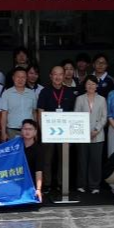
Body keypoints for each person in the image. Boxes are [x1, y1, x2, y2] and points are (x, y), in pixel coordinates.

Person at [36, 65, 76, 194]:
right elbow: (40, 111)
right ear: (50, 76)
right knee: (47, 159)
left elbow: (73, 113)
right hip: (48, 132)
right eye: (55, 74)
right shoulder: (45, 91)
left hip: (65, 132)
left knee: (63, 159)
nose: (58, 77)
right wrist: (43, 131)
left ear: (64, 76)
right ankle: (47, 184)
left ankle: (61, 183)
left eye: (60, 74)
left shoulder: (69, 92)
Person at [74, 75, 107, 194]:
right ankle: (81, 184)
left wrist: (96, 130)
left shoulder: (102, 99)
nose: (91, 86)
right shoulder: (80, 99)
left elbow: (104, 117)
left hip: (98, 135)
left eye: (93, 84)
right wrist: (85, 131)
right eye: (88, 84)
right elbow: (76, 116)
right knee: (82, 161)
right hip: (83, 134)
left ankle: (94, 185)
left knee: (95, 161)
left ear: (97, 86)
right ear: (85, 85)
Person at [0, 66, 39, 142]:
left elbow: (34, 113)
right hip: (12, 130)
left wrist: (36, 130)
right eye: (18, 77)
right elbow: (4, 115)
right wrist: (3, 132)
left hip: (29, 130)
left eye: (23, 77)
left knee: (28, 149)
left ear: (26, 78)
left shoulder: (31, 93)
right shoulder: (7, 93)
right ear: (13, 78)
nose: (20, 79)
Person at [19, 118, 44, 204]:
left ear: (35, 132)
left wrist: (38, 189)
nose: (27, 131)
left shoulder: (38, 149)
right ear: (21, 130)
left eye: (30, 129)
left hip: (30, 182)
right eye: (25, 129)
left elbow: (39, 170)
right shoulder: (15, 146)